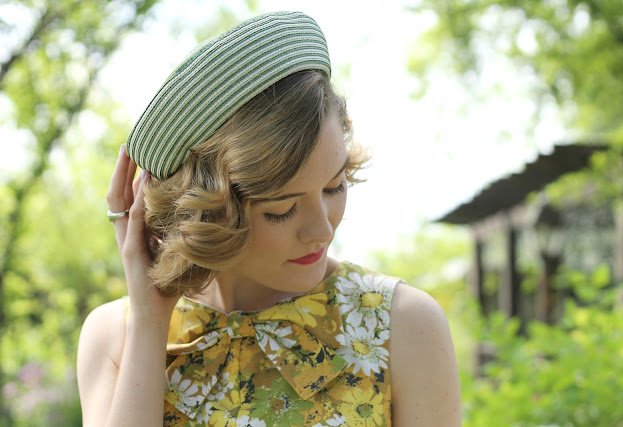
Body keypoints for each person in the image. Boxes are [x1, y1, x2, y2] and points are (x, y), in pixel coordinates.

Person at [77, 11, 461, 427]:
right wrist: (149, 321)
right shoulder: (113, 337)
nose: (323, 230)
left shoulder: (402, 326)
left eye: (334, 187)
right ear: (210, 215)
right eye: (281, 209)